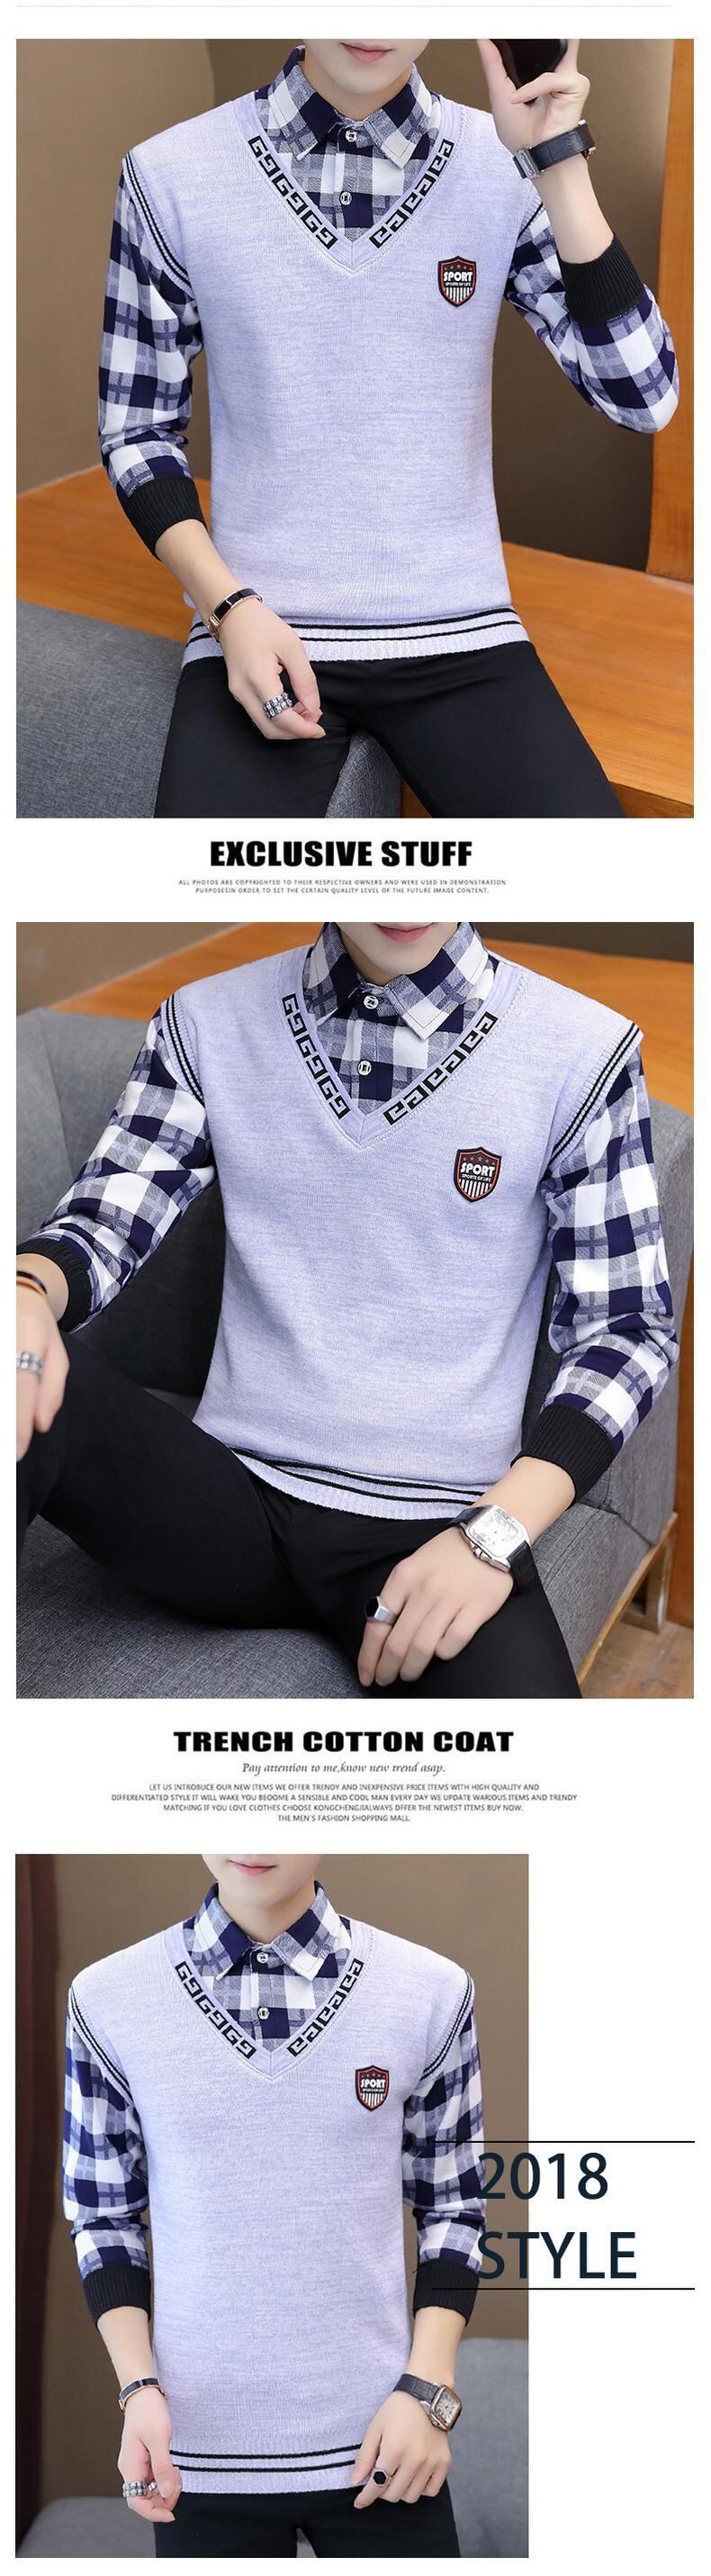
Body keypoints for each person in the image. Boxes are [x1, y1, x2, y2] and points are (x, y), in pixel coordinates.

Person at [16, 922, 678, 1700]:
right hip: (223, 1500)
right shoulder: (204, 1020)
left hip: (436, 1531)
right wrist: (25, 1293)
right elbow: (104, 1221)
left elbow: (626, 1331)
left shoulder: (583, 1052)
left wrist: (493, 1536)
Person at [98, 38, 680, 820]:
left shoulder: (505, 164)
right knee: (204, 885)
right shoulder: (168, 175)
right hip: (259, 628)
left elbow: (644, 396)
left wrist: (556, 159)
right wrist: (228, 609)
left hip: (464, 640)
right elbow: (137, 431)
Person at [63, 1853, 482, 2557]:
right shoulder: (107, 1999)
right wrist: (138, 2389)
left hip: (390, 2448)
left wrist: (428, 2393)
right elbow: (104, 2216)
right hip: (193, 2458)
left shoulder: (432, 1991)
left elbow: (454, 2206)